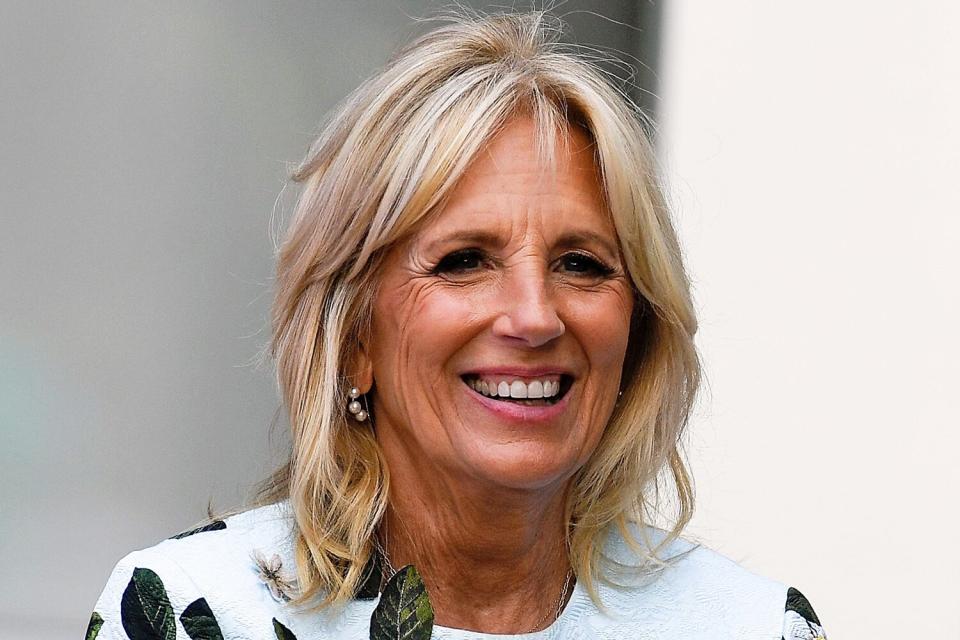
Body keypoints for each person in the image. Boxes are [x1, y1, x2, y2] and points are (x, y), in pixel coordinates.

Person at [87, 10, 827, 640]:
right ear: (354, 339)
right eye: (464, 261)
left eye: (582, 264)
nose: (536, 316)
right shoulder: (193, 614)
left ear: (636, 330)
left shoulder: (753, 627)